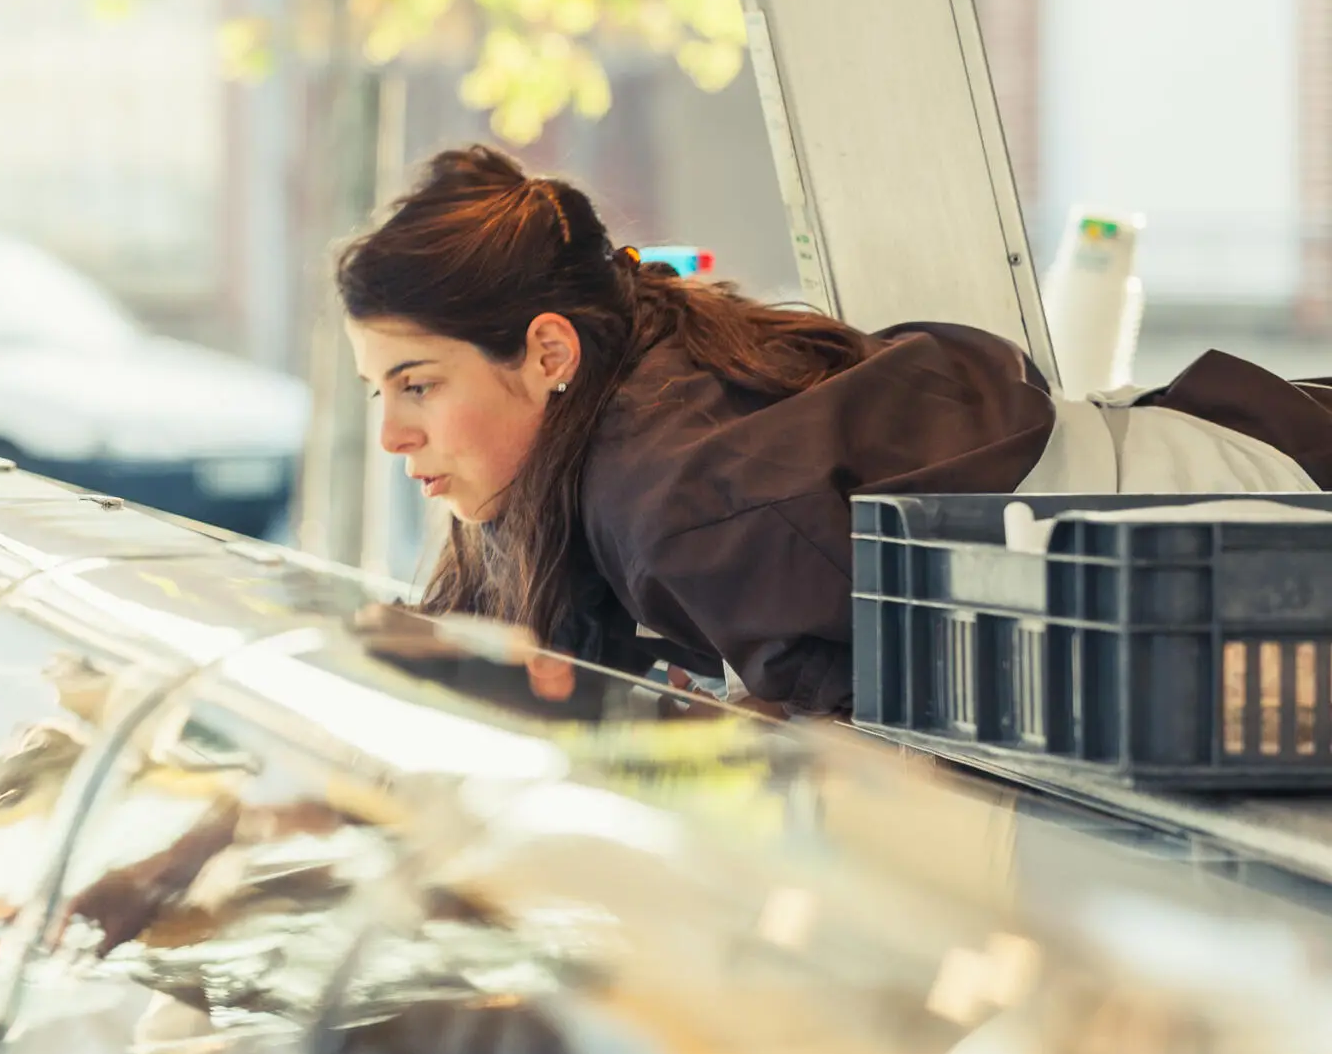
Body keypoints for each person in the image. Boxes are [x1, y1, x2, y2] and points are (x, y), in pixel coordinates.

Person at [340, 145, 1332, 716]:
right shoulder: (612, 422)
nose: (391, 433)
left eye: (417, 385)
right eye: (376, 390)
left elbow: (877, 776)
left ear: (550, 353)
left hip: (1260, 529)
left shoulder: (686, 502)